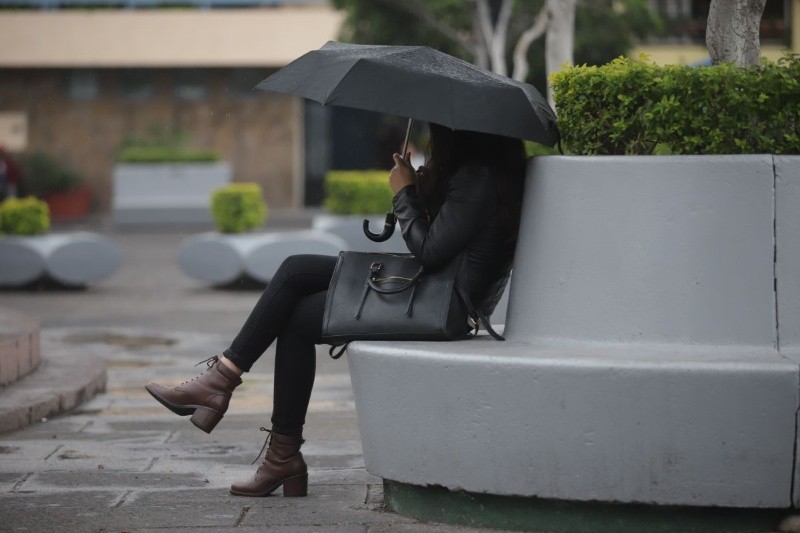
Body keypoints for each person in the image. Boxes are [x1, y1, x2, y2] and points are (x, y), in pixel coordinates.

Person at [145, 122, 528, 498]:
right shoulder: (485, 174)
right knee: (296, 269)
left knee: (298, 319)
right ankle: (226, 385)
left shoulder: (478, 178)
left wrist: (405, 194)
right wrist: (421, 186)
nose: (433, 134)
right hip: (436, 290)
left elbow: (428, 250)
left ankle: (268, 441)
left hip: (442, 303)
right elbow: (446, 240)